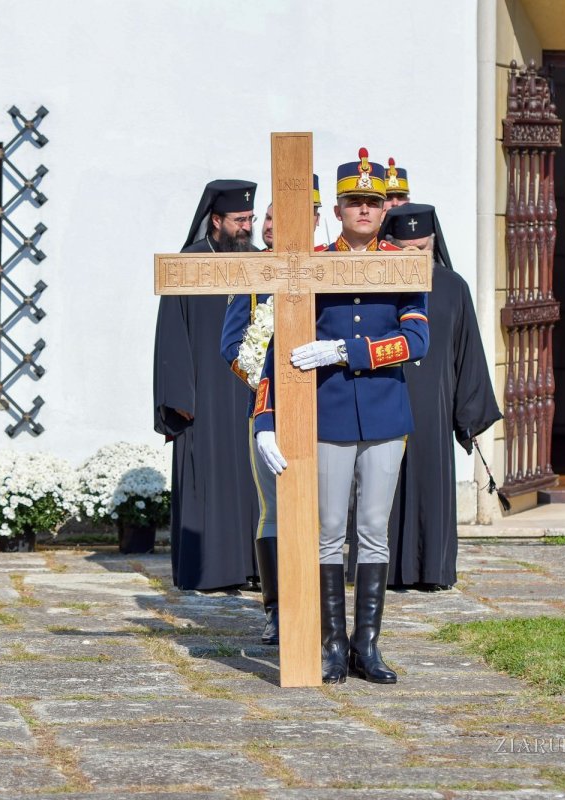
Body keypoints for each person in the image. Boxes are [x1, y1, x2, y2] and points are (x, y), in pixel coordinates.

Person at [253, 147, 429, 684]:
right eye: (353, 202)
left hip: (382, 415)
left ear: (383, 210)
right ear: (336, 208)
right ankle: (331, 645)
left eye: (372, 204)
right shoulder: (310, 264)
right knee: (329, 531)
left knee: (373, 530)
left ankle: (366, 646)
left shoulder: (402, 264)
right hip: (325, 416)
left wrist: (345, 352)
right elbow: (276, 351)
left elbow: (416, 339)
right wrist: (265, 420)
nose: (363, 212)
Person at [218, 175, 322, 645]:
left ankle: (323, 607)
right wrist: (271, 386)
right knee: (275, 510)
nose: (271, 225)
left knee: (328, 511)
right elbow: (233, 346)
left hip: (328, 409)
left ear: (315, 218)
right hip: (269, 410)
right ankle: (277, 608)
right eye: (269, 215)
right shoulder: (255, 272)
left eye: (287, 215)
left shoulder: (334, 268)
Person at [380, 203, 501, 590]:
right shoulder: (376, 284)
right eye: (408, 250)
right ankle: (382, 571)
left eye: (423, 249)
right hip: (386, 400)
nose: (417, 257)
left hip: (434, 406)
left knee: (431, 484)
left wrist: (468, 416)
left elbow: (468, 354)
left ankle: (432, 570)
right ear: (392, 246)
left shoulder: (453, 286)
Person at [153, 179, 260, 591]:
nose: (246, 227)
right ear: (215, 220)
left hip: (250, 391)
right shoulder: (189, 263)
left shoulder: (258, 261)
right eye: (238, 220)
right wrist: (179, 395)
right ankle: (209, 571)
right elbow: (171, 332)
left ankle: (254, 568)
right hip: (205, 396)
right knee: (208, 481)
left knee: (253, 482)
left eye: (250, 218)